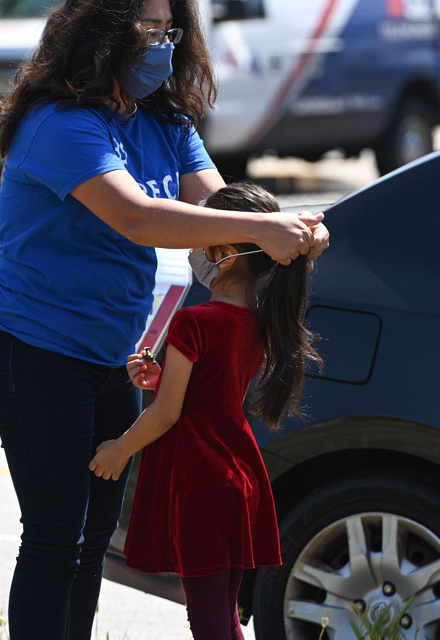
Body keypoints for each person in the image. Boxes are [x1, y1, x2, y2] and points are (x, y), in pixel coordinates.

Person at [0, 0, 328, 640]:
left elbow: (217, 211)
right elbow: (139, 217)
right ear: (101, 31)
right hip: (32, 353)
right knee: (55, 537)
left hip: (111, 358)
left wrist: (295, 227)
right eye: (147, 29)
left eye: (170, 31)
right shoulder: (60, 123)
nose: (161, 45)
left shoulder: (164, 121)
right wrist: (261, 228)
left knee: (90, 541)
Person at [88, 182, 319, 640]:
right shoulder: (259, 321)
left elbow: (166, 414)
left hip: (201, 481)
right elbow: (207, 386)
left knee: (208, 620)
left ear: (227, 252)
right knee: (225, 615)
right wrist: (157, 376)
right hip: (240, 475)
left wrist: (118, 449)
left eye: (202, 242)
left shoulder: (196, 320)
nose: (194, 251)